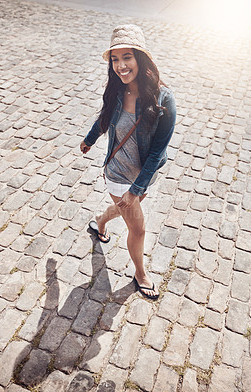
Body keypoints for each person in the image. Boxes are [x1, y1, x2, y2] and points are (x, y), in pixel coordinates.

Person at [80, 24, 176, 300]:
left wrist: (137, 189)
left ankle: (100, 221)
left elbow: (158, 150)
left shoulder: (163, 99)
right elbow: (104, 118)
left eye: (127, 57)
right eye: (115, 59)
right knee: (138, 227)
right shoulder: (115, 92)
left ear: (140, 58)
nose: (120, 66)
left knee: (124, 208)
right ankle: (141, 274)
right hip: (118, 173)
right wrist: (90, 139)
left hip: (143, 177)